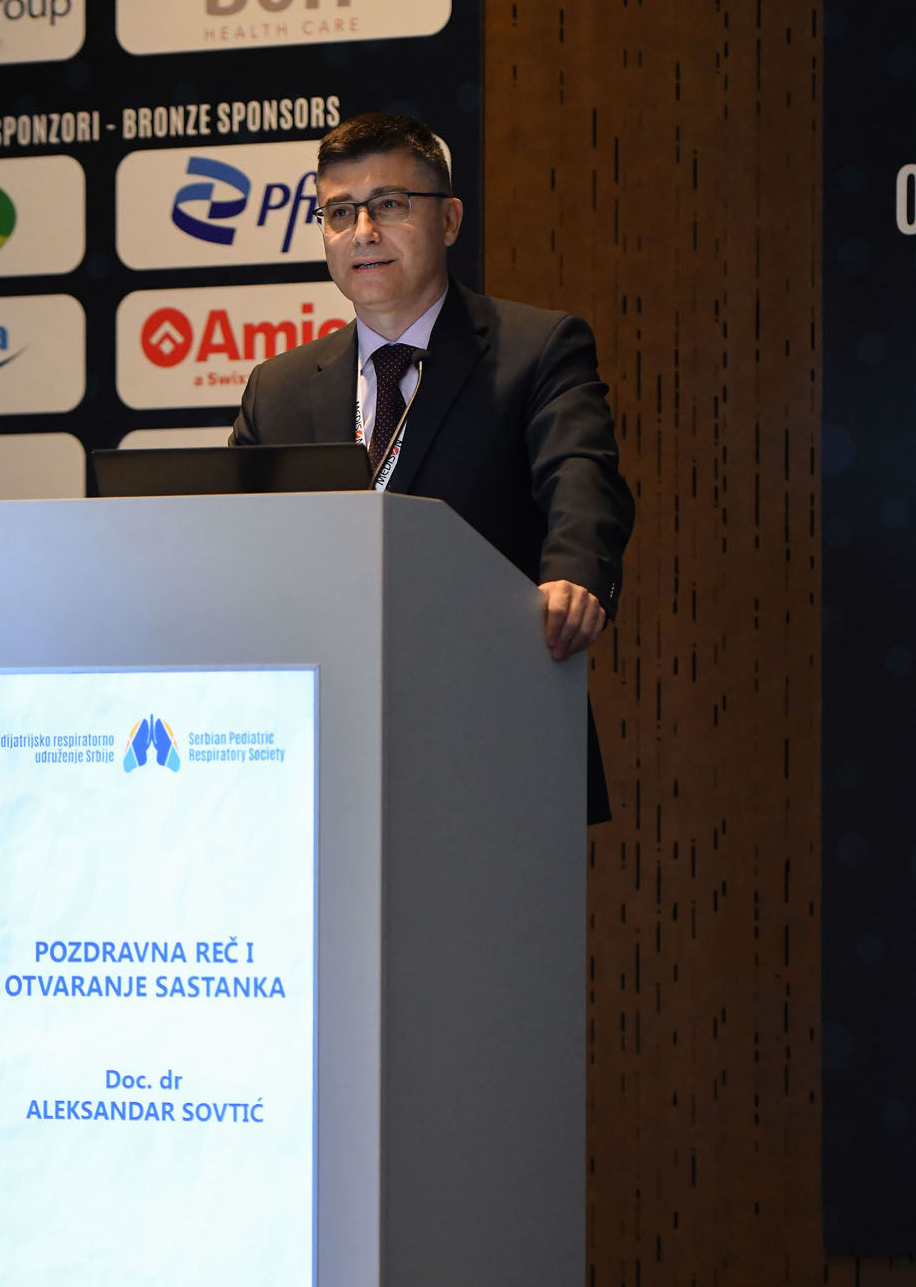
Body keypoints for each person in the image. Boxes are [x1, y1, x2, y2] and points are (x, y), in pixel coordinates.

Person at [229, 110, 635, 821]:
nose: (363, 232)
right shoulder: (279, 387)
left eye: (389, 205)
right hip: (315, 742)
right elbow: (233, 538)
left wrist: (574, 573)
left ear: (448, 220)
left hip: (491, 726)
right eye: (340, 212)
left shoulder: (536, 349)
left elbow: (581, 476)